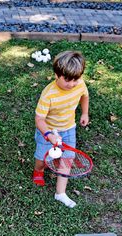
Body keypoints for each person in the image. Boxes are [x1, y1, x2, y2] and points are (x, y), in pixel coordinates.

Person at [32, 51, 89, 208]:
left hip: (69, 128)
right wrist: (49, 135)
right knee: (42, 158)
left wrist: (84, 113)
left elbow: (85, 96)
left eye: (75, 79)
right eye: (67, 80)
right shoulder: (48, 94)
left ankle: (60, 193)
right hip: (48, 131)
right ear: (57, 75)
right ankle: (38, 171)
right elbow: (39, 119)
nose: (71, 84)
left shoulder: (81, 84)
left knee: (67, 158)